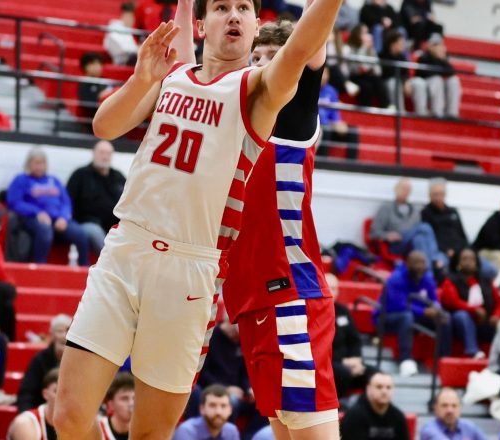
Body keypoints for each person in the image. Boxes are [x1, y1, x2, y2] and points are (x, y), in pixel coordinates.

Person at [55, 0, 344, 437]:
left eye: (243, 7)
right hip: (127, 248)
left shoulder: (257, 91)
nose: (233, 15)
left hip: (193, 268)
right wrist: (142, 77)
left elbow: (303, 47)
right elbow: (104, 126)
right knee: (68, 417)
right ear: (204, 24)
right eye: (222, 7)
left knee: (150, 432)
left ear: (256, 24)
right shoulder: (173, 75)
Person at [198, 6, 340, 438]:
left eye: (274, 57)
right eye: (256, 57)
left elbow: (312, 39)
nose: (262, 65)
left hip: (289, 294)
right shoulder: (237, 120)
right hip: (249, 302)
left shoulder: (294, 116)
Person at [7, 147, 89, 266]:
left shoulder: (54, 180)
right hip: (33, 218)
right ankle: (41, 267)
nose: (40, 166)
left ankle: (85, 269)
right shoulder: (21, 180)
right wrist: (37, 212)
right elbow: (14, 202)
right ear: (29, 164)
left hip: (58, 219)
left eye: (42, 163)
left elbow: (66, 202)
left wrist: (63, 217)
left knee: (80, 233)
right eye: (36, 163)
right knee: (45, 230)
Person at [375, 250, 451, 377]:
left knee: (444, 318)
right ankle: (405, 360)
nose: (419, 267)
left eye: (422, 263)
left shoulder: (427, 278)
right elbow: (398, 305)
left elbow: (434, 300)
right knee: (406, 317)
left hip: (414, 316)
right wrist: (423, 311)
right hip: (388, 317)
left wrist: (437, 309)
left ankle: (442, 360)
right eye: (416, 263)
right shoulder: (396, 278)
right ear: (408, 264)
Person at [440, 247, 500, 359]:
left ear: (477, 262)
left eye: (471, 259)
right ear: (458, 262)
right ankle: (472, 351)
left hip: (484, 322)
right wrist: (474, 310)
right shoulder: (450, 279)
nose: (468, 262)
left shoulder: (486, 280)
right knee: (462, 316)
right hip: (459, 324)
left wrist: (496, 316)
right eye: (464, 259)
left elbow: (499, 303)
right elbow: (452, 301)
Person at [370, 177, 447, 270]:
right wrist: (386, 235)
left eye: (408, 189)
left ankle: (427, 272)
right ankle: (435, 256)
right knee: (425, 227)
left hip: (411, 245)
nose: (405, 192)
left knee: (419, 239)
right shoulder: (386, 208)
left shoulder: (414, 210)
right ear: (396, 189)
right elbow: (373, 232)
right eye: (403, 188)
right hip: (397, 244)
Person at [66, 140, 126, 256]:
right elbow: (68, 202)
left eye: (108, 153)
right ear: (94, 153)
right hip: (87, 223)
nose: (105, 157)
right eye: (101, 152)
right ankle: (110, 259)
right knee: (95, 232)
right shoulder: (80, 175)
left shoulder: (118, 177)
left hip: (114, 224)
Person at [327, 273, 378, 398]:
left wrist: (357, 360)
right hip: (327, 363)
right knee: (343, 373)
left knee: (375, 375)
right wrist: (343, 362)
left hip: (348, 363)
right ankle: (338, 404)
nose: (332, 292)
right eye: (328, 288)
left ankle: (367, 406)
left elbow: (355, 340)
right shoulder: (313, 313)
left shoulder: (343, 311)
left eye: (334, 289)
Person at [17, 314, 70, 413]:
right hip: (43, 411)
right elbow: (27, 393)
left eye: (67, 331)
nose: (64, 336)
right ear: (51, 335)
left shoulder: (80, 360)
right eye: (59, 331)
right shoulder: (39, 359)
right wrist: (28, 415)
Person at [340, 372, 410, 439]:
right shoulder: (353, 416)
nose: (384, 391)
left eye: (388, 387)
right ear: (368, 389)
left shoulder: (398, 417)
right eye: (379, 387)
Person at [380, 30, 428, 115]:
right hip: (389, 83)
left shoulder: (402, 57)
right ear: (393, 44)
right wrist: (403, 81)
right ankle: (400, 114)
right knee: (394, 83)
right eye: (401, 43)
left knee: (419, 82)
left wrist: (406, 81)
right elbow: (387, 74)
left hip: (402, 82)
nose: (403, 45)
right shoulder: (382, 56)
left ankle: (421, 114)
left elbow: (405, 73)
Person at [415, 33, 461, 119]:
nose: (438, 47)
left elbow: (451, 72)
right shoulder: (424, 57)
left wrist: (442, 59)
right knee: (436, 79)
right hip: (427, 86)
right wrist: (436, 58)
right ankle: (437, 112)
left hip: (440, 87)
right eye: (435, 45)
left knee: (453, 81)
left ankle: (452, 114)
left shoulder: (442, 58)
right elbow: (425, 73)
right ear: (430, 46)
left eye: (439, 45)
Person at [318, 66, 359, 160]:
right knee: (326, 129)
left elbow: (335, 112)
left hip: (329, 124)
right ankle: (322, 161)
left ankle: (351, 163)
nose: (324, 76)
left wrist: (337, 122)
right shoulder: (310, 89)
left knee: (353, 131)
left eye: (326, 73)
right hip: (316, 126)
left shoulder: (332, 91)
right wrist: (328, 123)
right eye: (322, 73)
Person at [344, 24, 389, 108]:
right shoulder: (350, 48)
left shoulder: (371, 49)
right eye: (364, 33)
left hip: (368, 76)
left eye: (368, 33)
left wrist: (371, 51)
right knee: (366, 86)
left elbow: (379, 71)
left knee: (379, 82)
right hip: (356, 76)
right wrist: (363, 47)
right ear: (357, 35)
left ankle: (386, 107)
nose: (368, 36)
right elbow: (356, 69)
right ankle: (366, 110)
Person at [7, 368, 59, 440]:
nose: (62, 397)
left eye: (66, 393)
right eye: (56, 391)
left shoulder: (72, 423)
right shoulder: (25, 423)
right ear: (45, 394)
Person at [173, 385, 240, 440]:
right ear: (202, 409)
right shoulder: (187, 430)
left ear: (230, 409)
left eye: (223, 406)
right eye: (212, 405)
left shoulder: (232, 431)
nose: (218, 412)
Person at [420, 388, 486, 439]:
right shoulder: (429, 430)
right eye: (444, 405)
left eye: (454, 406)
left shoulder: (469, 427)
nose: (450, 410)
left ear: (460, 408)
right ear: (435, 408)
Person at [97, 373, 135, 440]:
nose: (131, 403)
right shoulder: (97, 430)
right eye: (124, 398)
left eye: (134, 398)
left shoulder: (144, 429)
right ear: (111, 404)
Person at [78, 52, 110, 130]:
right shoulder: (83, 84)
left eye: (99, 64)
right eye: (93, 64)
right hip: (91, 122)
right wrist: (100, 97)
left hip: (109, 119)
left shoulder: (106, 81)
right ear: (85, 66)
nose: (98, 67)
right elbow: (87, 106)